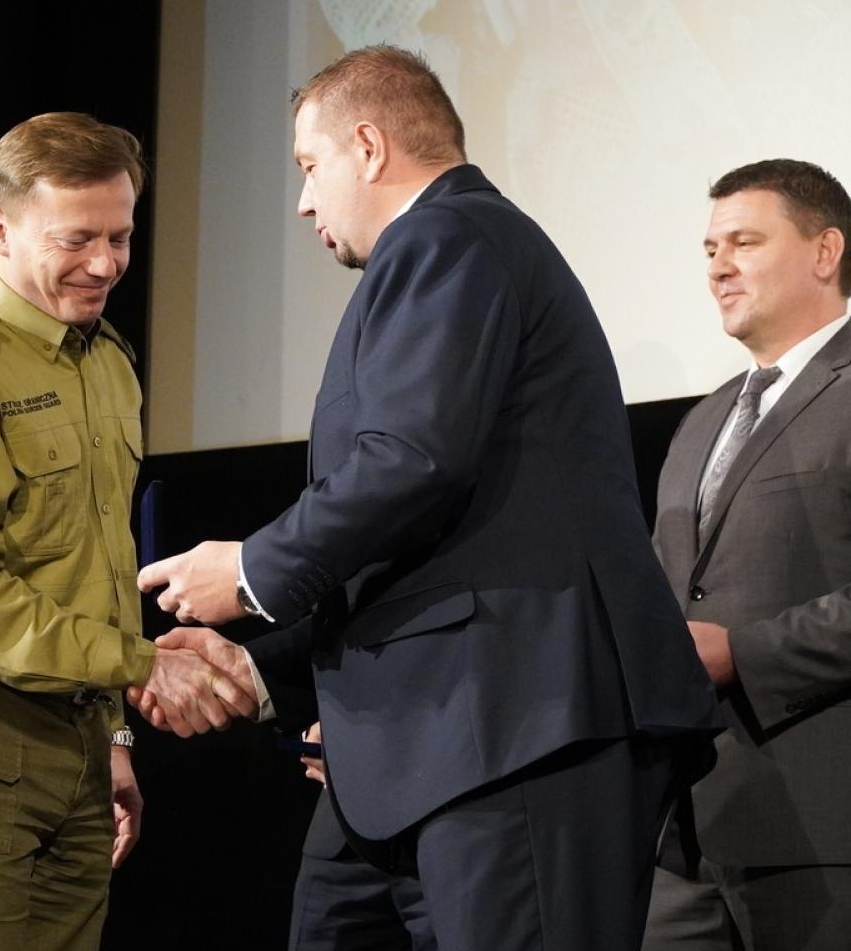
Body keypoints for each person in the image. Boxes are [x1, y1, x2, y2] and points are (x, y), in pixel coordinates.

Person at [130, 46, 722, 950]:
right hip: (425, 748)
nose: (302, 201)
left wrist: (250, 572)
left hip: (516, 728)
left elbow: (412, 463)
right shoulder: (445, 251)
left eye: (308, 166)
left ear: (368, 146)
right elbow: (431, 534)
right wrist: (261, 670)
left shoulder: (448, 236)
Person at [0, 111, 252, 950]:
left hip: (74, 734)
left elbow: (90, 571)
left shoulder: (107, 361)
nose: (105, 263)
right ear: (1, 229)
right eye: (76, 239)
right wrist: (143, 665)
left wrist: (109, 732)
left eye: (121, 235)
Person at [642, 159, 851, 951]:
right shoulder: (701, 424)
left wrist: (746, 654)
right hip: (680, 835)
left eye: (743, 242)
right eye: (708, 249)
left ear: (824, 252)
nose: (718, 266)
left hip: (822, 836)